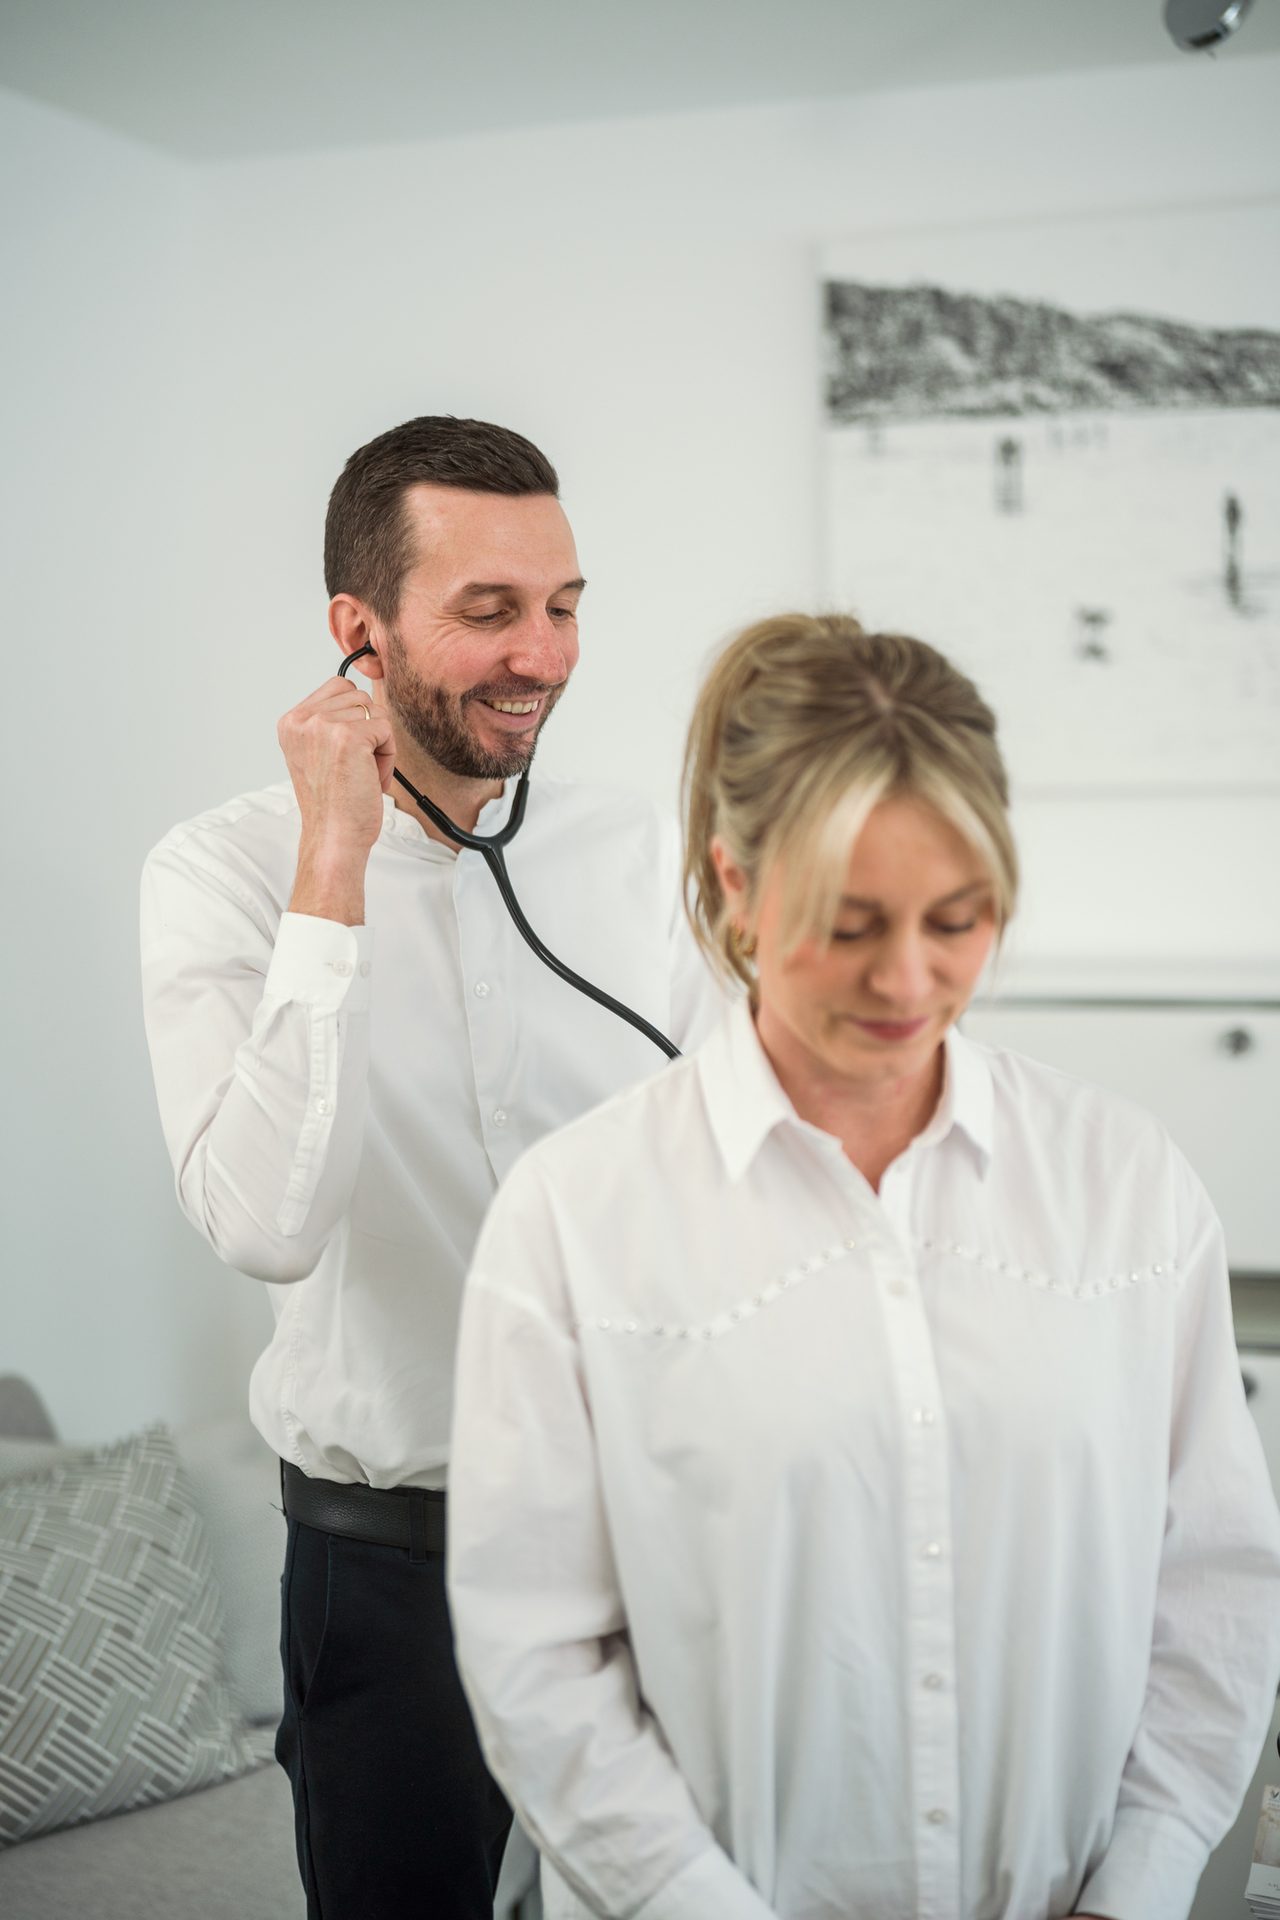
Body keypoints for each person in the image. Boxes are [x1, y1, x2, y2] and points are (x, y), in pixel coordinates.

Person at [447, 612, 1280, 1920]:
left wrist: (1142, 1883)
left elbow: (1215, 1591)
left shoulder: (1129, 1190)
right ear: (733, 884)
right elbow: (537, 1660)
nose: (910, 979)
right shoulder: (577, 1218)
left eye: (959, 918)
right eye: (851, 926)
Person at [139, 415, 721, 1920]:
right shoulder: (218, 874)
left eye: (565, 604)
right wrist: (332, 870)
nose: (544, 654)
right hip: (390, 1576)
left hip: (659, 1545)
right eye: (488, 611)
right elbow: (264, 1222)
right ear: (358, 632)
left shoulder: (641, 858)